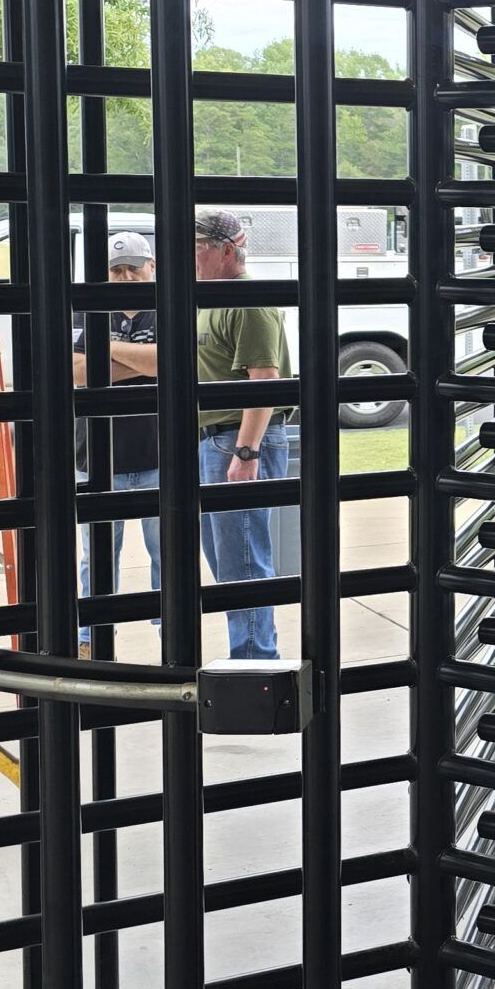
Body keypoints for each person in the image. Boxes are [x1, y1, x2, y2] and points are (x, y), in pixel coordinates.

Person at [192, 208, 292, 660]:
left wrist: (246, 452)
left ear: (226, 251)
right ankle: (251, 654)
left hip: (237, 440)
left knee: (244, 563)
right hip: (214, 441)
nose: (184, 257)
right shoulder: (207, 300)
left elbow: (265, 378)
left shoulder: (249, 299)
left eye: (194, 248)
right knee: (227, 564)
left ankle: (256, 665)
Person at [73, 233, 160, 622]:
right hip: (95, 459)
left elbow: (171, 361)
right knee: (98, 560)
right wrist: (141, 361)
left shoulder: (168, 306)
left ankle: (171, 640)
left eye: (133, 269)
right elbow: (76, 372)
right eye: (116, 269)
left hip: (160, 457)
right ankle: (92, 639)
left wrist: (103, 348)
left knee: (169, 559)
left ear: (152, 268)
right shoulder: (84, 310)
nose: (124, 277)